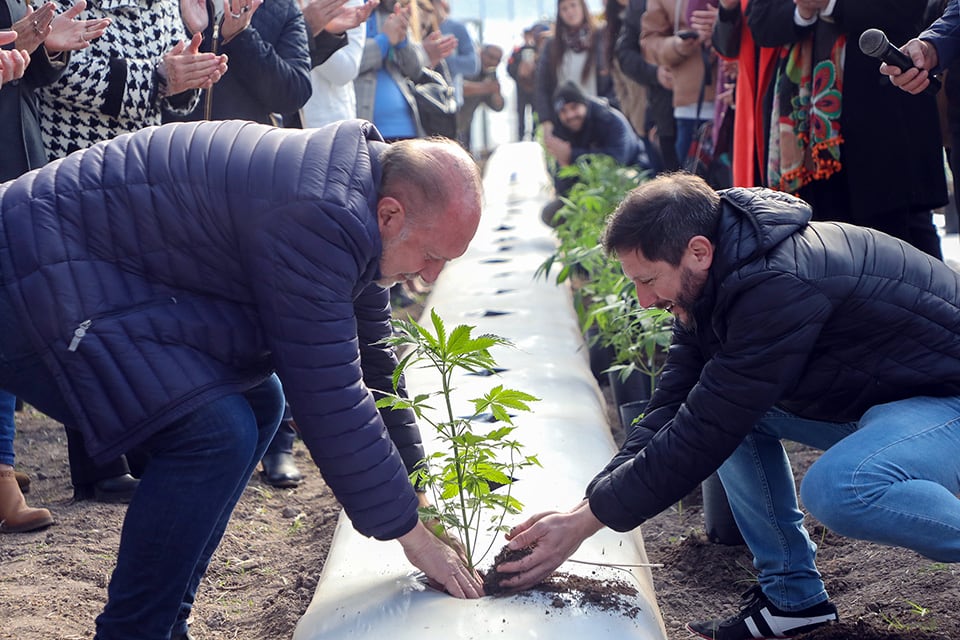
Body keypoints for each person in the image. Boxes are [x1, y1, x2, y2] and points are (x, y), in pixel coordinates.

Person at [0, 118, 484, 639]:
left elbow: (374, 363)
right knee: (212, 435)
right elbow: (329, 394)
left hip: (93, 273)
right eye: (433, 256)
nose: (430, 277)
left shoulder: (357, 203)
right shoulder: (323, 215)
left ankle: (165, 623)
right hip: (29, 271)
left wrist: (419, 493)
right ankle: (134, 632)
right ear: (391, 214)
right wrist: (411, 535)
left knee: (257, 404)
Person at [497, 171, 960, 640]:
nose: (643, 300)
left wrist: (585, 524)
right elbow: (673, 405)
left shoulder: (776, 282)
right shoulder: (716, 278)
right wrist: (586, 505)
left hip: (947, 402)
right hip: (895, 401)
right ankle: (793, 601)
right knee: (728, 414)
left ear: (698, 251)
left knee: (841, 488)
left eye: (649, 280)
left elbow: (707, 426)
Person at [748, 0, 946, 261]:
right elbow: (760, 22)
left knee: (907, 256)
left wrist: (831, 5)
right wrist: (803, 11)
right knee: (829, 255)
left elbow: (908, 10)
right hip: (809, 142)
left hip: (887, 126)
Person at [541, 81, 653, 225]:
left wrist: (571, 156)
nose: (570, 115)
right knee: (551, 214)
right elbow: (562, 189)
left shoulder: (609, 120)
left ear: (585, 104)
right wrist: (564, 165)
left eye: (574, 108)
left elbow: (616, 161)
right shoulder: (562, 131)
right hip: (589, 194)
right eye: (564, 111)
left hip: (628, 183)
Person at [534, 0, 616, 139]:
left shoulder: (601, 37)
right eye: (564, 8)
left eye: (573, 5)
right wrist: (546, 121)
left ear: (582, 7)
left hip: (599, 118)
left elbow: (615, 81)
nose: (570, 12)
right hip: (565, 121)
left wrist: (609, 109)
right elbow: (542, 86)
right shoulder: (552, 45)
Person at [615, 0, 678, 170]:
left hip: (712, 105)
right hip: (665, 113)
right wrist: (655, 73)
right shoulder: (639, 5)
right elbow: (624, 54)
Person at [506, 21, 549, 141]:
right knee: (521, 113)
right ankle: (521, 136)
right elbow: (510, 68)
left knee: (537, 112)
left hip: (536, 89)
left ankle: (536, 136)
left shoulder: (541, 51)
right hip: (521, 89)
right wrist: (519, 73)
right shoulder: (518, 51)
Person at [457, 42, 504, 151]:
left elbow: (497, 106)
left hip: (464, 127)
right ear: (481, 53)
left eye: (497, 60)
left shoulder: (488, 75)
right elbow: (459, 88)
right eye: (491, 57)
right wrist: (486, 87)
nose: (493, 62)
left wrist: (496, 92)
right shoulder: (467, 65)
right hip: (447, 122)